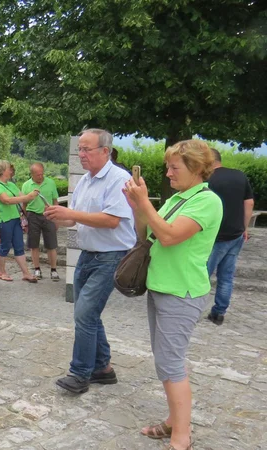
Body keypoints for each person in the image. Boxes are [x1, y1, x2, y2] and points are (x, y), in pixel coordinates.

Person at [123, 139, 222, 450]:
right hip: (163, 287)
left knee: (171, 363)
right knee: (165, 360)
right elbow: (147, 233)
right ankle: (173, 422)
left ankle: (181, 436)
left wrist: (147, 204)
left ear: (195, 168)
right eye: (168, 167)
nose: (168, 173)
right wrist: (138, 206)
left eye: (174, 167)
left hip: (182, 291)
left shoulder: (207, 201)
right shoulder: (180, 198)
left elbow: (168, 237)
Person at [44, 128, 136, 394]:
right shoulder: (85, 180)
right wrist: (59, 217)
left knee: (84, 313)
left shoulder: (119, 178)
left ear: (105, 151)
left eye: (87, 149)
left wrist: (70, 212)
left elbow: (112, 220)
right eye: (79, 149)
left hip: (111, 256)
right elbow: (77, 218)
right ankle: (103, 368)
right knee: (87, 313)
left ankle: (80, 374)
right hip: (88, 254)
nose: (81, 154)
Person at [206, 148, 254, 325]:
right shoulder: (239, 175)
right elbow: (249, 202)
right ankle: (218, 313)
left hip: (215, 236)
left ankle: (191, 310)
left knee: (202, 275)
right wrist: (244, 227)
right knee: (226, 276)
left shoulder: (208, 179)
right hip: (236, 234)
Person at [0, 160, 39, 283]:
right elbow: (7, 200)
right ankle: (1, 272)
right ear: (2, 171)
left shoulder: (11, 184)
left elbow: (21, 196)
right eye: (8, 168)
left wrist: (31, 195)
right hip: (4, 220)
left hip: (15, 219)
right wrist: (27, 197)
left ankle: (26, 273)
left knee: (19, 246)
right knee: (5, 246)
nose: (11, 170)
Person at [22, 162, 61, 281]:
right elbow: (24, 204)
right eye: (38, 175)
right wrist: (25, 219)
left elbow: (55, 201)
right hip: (32, 215)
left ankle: (53, 270)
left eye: (42, 174)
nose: (40, 177)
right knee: (34, 244)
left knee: (52, 244)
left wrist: (57, 219)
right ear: (32, 174)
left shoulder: (51, 183)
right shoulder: (26, 185)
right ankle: (37, 268)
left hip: (48, 215)